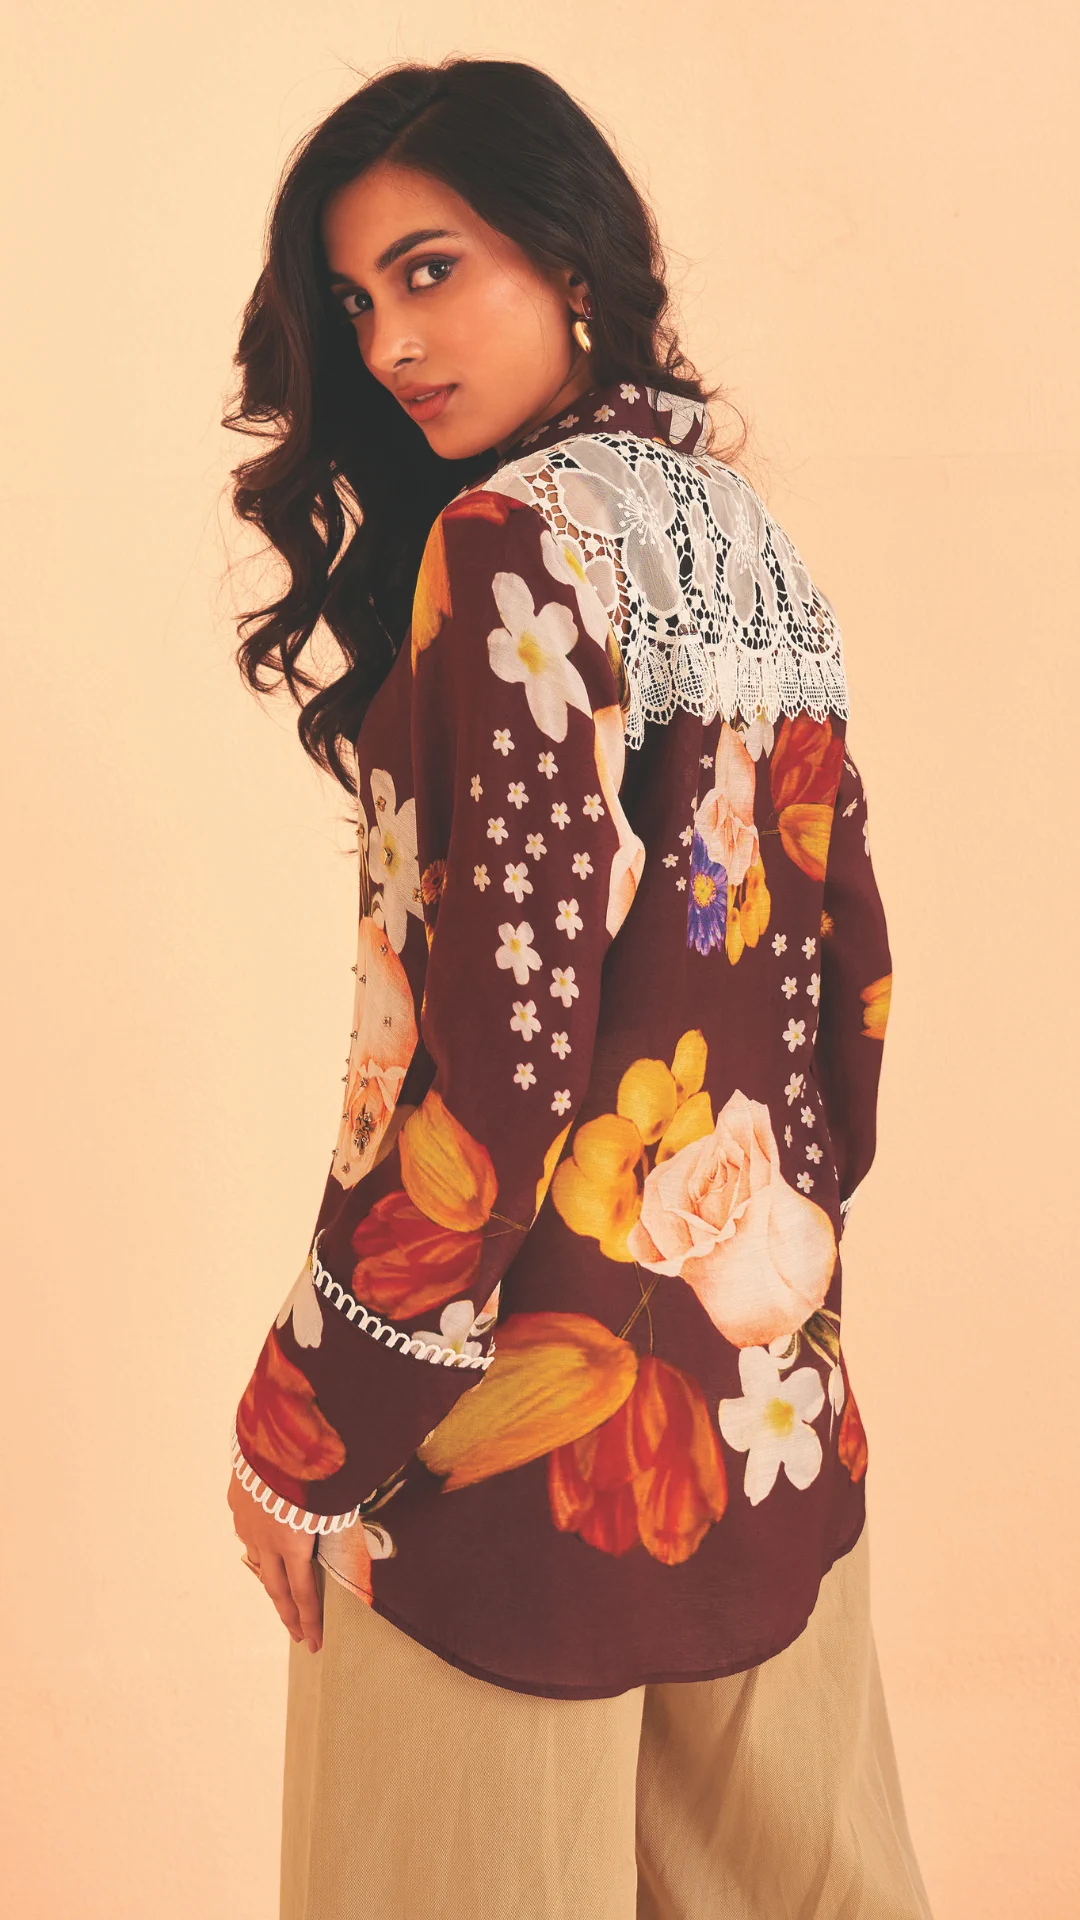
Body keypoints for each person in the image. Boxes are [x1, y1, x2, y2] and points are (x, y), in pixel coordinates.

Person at [224, 55, 935, 1920]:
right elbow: (851, 1004)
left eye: (431, 270)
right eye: (355, 302)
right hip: (759, 1413)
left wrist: (310, 1417)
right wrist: (756, 1308)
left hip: (493, 1443)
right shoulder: (751, 544)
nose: (391, 343)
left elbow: (503, 1066)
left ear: (567, 254)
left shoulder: (508, 543)